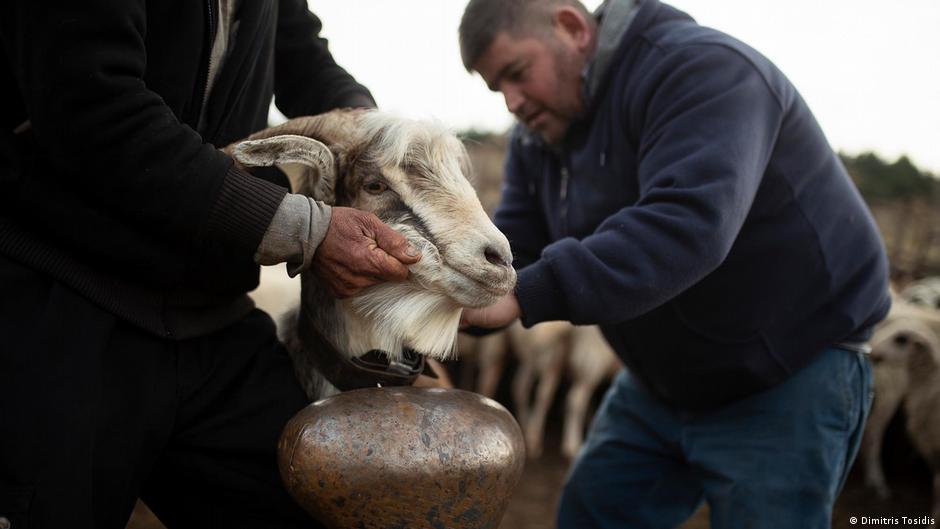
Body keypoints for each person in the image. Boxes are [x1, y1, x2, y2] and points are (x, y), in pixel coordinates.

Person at [458, 0, 891, 527]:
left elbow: (688, 224)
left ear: (570, 27)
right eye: (496, 89)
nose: (512, 103)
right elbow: (514, 248)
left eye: (517, 74)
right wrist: (455, 292)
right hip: (658, 382)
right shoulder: (539, 136)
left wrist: (525, 294)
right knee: (593, 515)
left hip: (787, 373)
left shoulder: (703, 71)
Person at [0, 1, 419, 527]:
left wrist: (377, 140)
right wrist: (301, 229)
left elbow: (299, 51)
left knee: (315, 505)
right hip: (64, 299)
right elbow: (95, 108)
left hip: (212, 317)